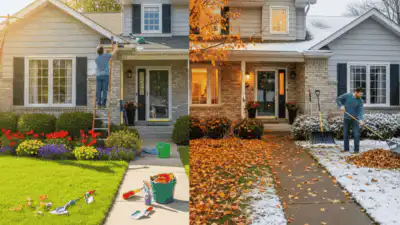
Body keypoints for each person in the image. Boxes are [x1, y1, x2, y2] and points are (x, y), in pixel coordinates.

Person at [337, 87, 365, 153]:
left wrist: (361, 119)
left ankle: (356, 150)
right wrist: (341, 106)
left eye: (362, 94)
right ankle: (346, 149)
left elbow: (361, 111)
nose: (361, 96)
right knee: (346, 134)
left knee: (356, 134)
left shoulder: (360, 101)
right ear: (356, 92)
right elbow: (338, 99)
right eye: (360, 94)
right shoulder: (347, 96)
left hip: (355, 119)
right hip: (346, 118)